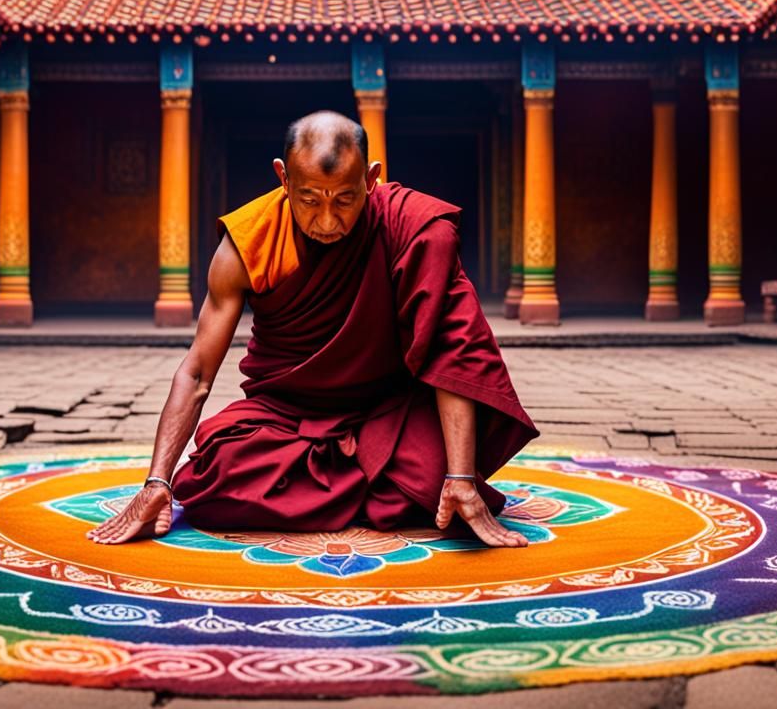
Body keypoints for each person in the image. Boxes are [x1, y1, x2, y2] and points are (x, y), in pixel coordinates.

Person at [88, 110, 539, 548]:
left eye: (344, 199)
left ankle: (370, 483)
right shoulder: (249, 243)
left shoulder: (414, 229)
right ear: (283, 178)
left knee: (441, 467)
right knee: (215, 474)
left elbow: (451, 352)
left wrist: (460, 477)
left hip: (391, 409)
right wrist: (156, 481)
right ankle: (379, 484)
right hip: (290, 415)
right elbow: (198, 373)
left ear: (371, 178)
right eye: (309, 200)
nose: (327, 221)